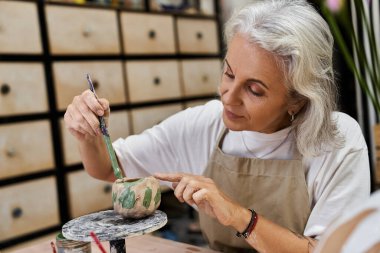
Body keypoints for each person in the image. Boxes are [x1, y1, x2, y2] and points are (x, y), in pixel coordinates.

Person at [64, 0, 371, 252]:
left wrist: (239, 216)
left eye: (255, 90)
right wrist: (87, 135)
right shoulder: (203, 124)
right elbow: (109, 168)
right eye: (228, 73)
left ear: (298, 100)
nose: (228, 96)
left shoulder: (337, 141)